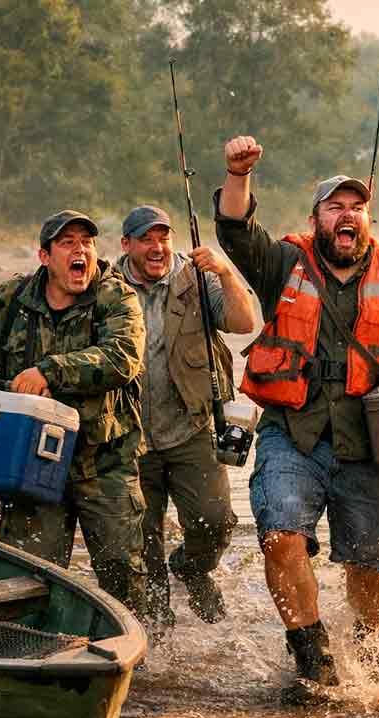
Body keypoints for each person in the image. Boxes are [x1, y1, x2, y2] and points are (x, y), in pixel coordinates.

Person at [212, 135, 379, 705]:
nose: (347, 214)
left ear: (366, 220)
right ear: (317, 221)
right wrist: (238, 175)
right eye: (335, 206)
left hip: (371, 447)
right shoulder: (283, 264)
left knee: (372, 572)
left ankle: (378, 663)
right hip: (292, 433)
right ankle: (313, 661)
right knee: (280, 534)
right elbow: (234, 230)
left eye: (356, 206)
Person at [0, 211, 149, 619]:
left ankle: (145, 668)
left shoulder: (116, 295)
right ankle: (27, 653)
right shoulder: (15, 297)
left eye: (87, 242)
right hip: (31, 463)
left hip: (105, 461)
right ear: (44, 256)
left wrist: (50, 371)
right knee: (26, 579)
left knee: (123, 575)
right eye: (67, 243)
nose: (81, 250)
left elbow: (123, 357)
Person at [116, 205, 257, 631]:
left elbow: (244, 320)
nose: (157, 247)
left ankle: (193, 569)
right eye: (146, 239)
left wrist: (226, 272)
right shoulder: (106, 286)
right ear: (127, 245)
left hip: (193, 427)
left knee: (216, 521)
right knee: (144, 538)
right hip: (129, 434)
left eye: (164, 238)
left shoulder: (195, 278)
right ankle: (157, 632)